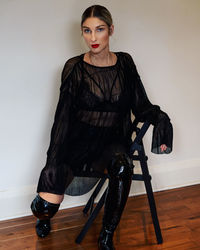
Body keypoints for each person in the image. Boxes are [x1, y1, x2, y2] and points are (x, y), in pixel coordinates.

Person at [30, 5, 173, 250]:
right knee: (42, 208)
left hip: (112, 141)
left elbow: (141, 104)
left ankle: (106, 235)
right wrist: (53, 159)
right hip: (78, 140)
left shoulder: (125, 63)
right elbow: (62, 117)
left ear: (111, 30)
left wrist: (160, 118)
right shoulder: (74, 67)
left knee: (123, 165)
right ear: (82, 32)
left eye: (99, 30)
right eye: (87, 31)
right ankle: (45, 219)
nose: (93, 38)